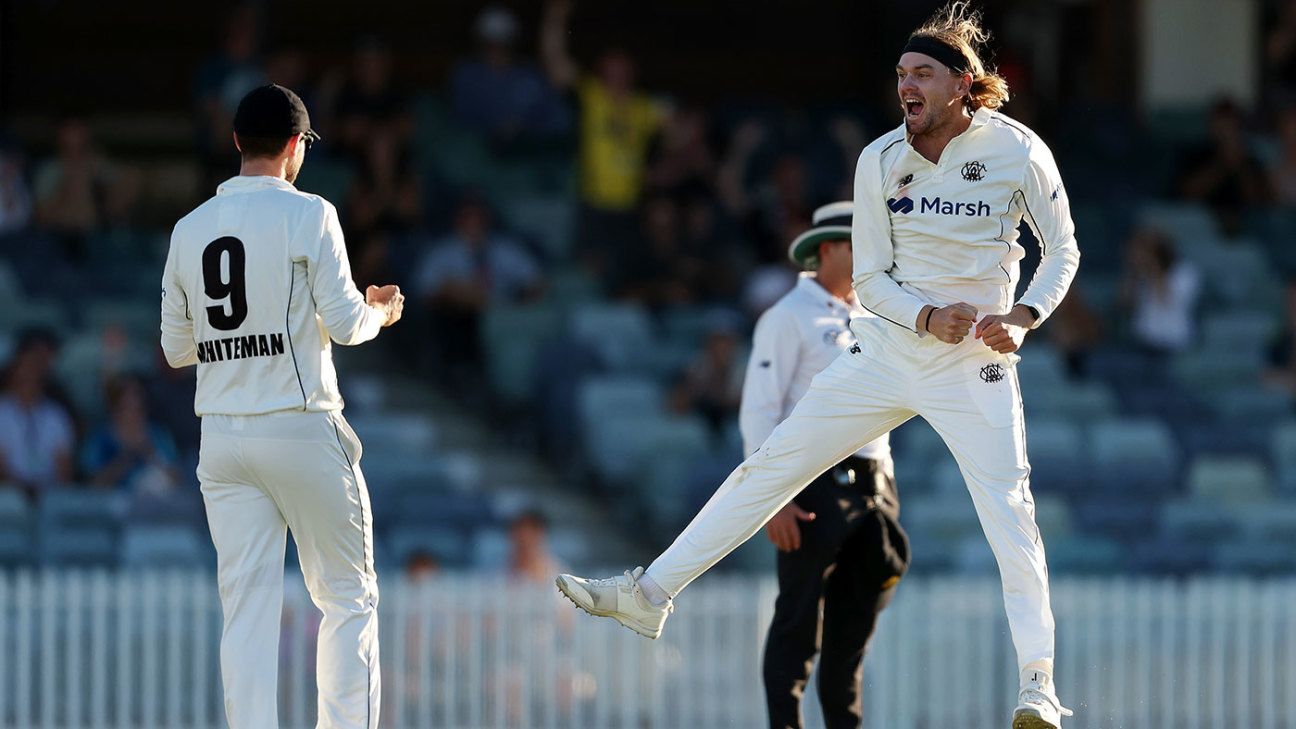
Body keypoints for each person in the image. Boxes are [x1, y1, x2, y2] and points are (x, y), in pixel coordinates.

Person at [557, 5, 1079, 727]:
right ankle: (648, 596)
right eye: (901, 74)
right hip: (888, 351)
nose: (907, 86)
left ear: (962, 83)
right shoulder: (879, 159)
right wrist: (926, 317)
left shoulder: (1018, 151)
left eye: (923, 73)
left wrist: (1021, 317)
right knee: (768, 467)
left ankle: (1038, 685)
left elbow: (1063, 251)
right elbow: (869, 281)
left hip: (972, 366)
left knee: (1009, 515)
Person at [160, 84, 404, 729]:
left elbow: (177, 349)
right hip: (298, 423)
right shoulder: (310, 213)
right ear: (295, 146)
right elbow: (348, 325)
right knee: (348, 597)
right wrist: (379, 309)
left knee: (246, 606)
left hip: (223, 438)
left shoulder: (189, 230)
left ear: (238, 141)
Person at [742, 202, 909, 729]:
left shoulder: (876, 317)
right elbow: (761, 408)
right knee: (798, 621)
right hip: (813, 483)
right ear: (828, 249)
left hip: (874, 481)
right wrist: (774, 499)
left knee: (852, 630)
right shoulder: (787, 316)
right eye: (860, 245)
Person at [0, 329, 76, 497]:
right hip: (8, 497)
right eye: (25, 369)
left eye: (35, 371)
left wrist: (46, 491)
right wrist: (24, 490)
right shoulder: (2, 412)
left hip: (49, 494)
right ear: (14, 372)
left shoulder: (56, 415)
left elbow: (64, 468)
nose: (29, 377)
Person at [81, 375, 181, 493]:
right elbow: (93, 484)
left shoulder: (159, 435)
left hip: (156, 505)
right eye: (126, 407)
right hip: (112, 505)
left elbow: (177, 480)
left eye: (137, 406)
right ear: (114, 409)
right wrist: (126, 460)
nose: (133, 413)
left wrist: (151, 456)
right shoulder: (100, 439)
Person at [1118, 229, 1200, 355]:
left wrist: (1153, 266)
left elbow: (1166, 300)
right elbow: (1125, 304)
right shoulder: (1140, 274)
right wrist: (1133, 274)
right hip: (1143, 341)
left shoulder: (1184, 272)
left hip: (1173, 341)